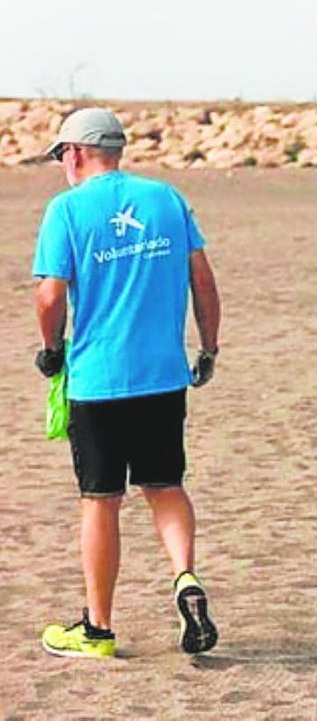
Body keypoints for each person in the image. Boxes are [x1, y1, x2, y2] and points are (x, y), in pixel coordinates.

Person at [32, 107, 222, 658]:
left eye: (61, 155)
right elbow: (203, 283)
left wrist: (51, 349)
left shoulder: (66, 209)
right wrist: (207, 348)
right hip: (163, 374)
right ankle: (185, 575)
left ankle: (97, 628)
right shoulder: (166, 197)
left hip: (98, 380)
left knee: (101, 500)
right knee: (164, 485)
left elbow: (49, 294)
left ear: (74, 153)